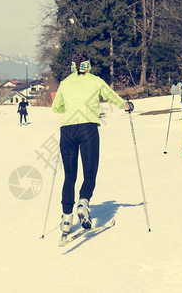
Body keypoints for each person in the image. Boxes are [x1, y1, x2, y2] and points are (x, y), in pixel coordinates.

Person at [52, 54, 131, 235]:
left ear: (73, 66)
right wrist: (125, 105)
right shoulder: (95, 81)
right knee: (90, 172)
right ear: (88, 66)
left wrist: (71, 108)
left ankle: (66, 219)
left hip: (67, 130)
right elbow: (111, 96)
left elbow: (56, 107)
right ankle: (83, 202)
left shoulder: (65, 82)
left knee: (69, 176)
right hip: (88, 129)